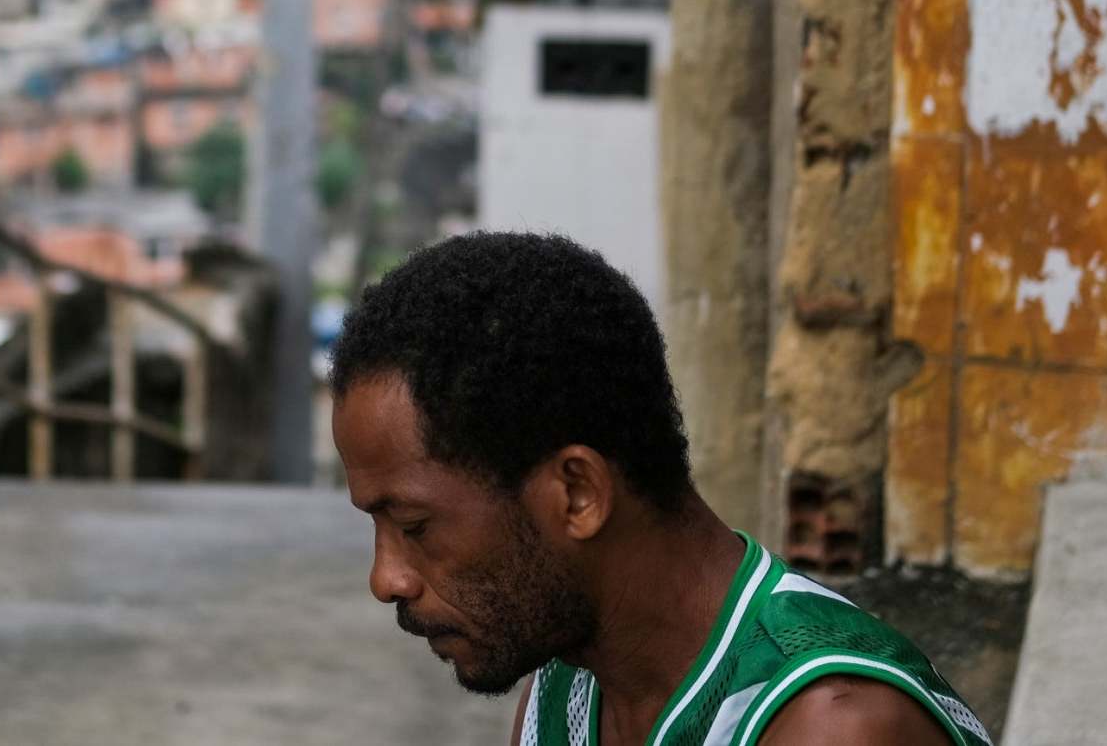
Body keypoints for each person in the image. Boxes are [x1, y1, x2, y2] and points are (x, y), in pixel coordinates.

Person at [329, 233, 988, 746]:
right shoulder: (566, 689)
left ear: (578, 493)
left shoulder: (832, 724)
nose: (388, 578)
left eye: (415, 526)